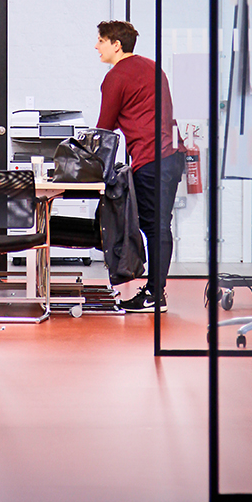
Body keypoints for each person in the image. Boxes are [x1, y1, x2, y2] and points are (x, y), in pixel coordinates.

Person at [95, 20, 186, 313]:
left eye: (101, 40)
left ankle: (154, 296)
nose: (96, 46)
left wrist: (88, 164)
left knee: (155, 226)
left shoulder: (116, 77)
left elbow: (105, 130)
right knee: (158, 224)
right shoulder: (153, 68)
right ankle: (154, 292)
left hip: (151, 157)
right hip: (171, 154)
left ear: (116, 44)